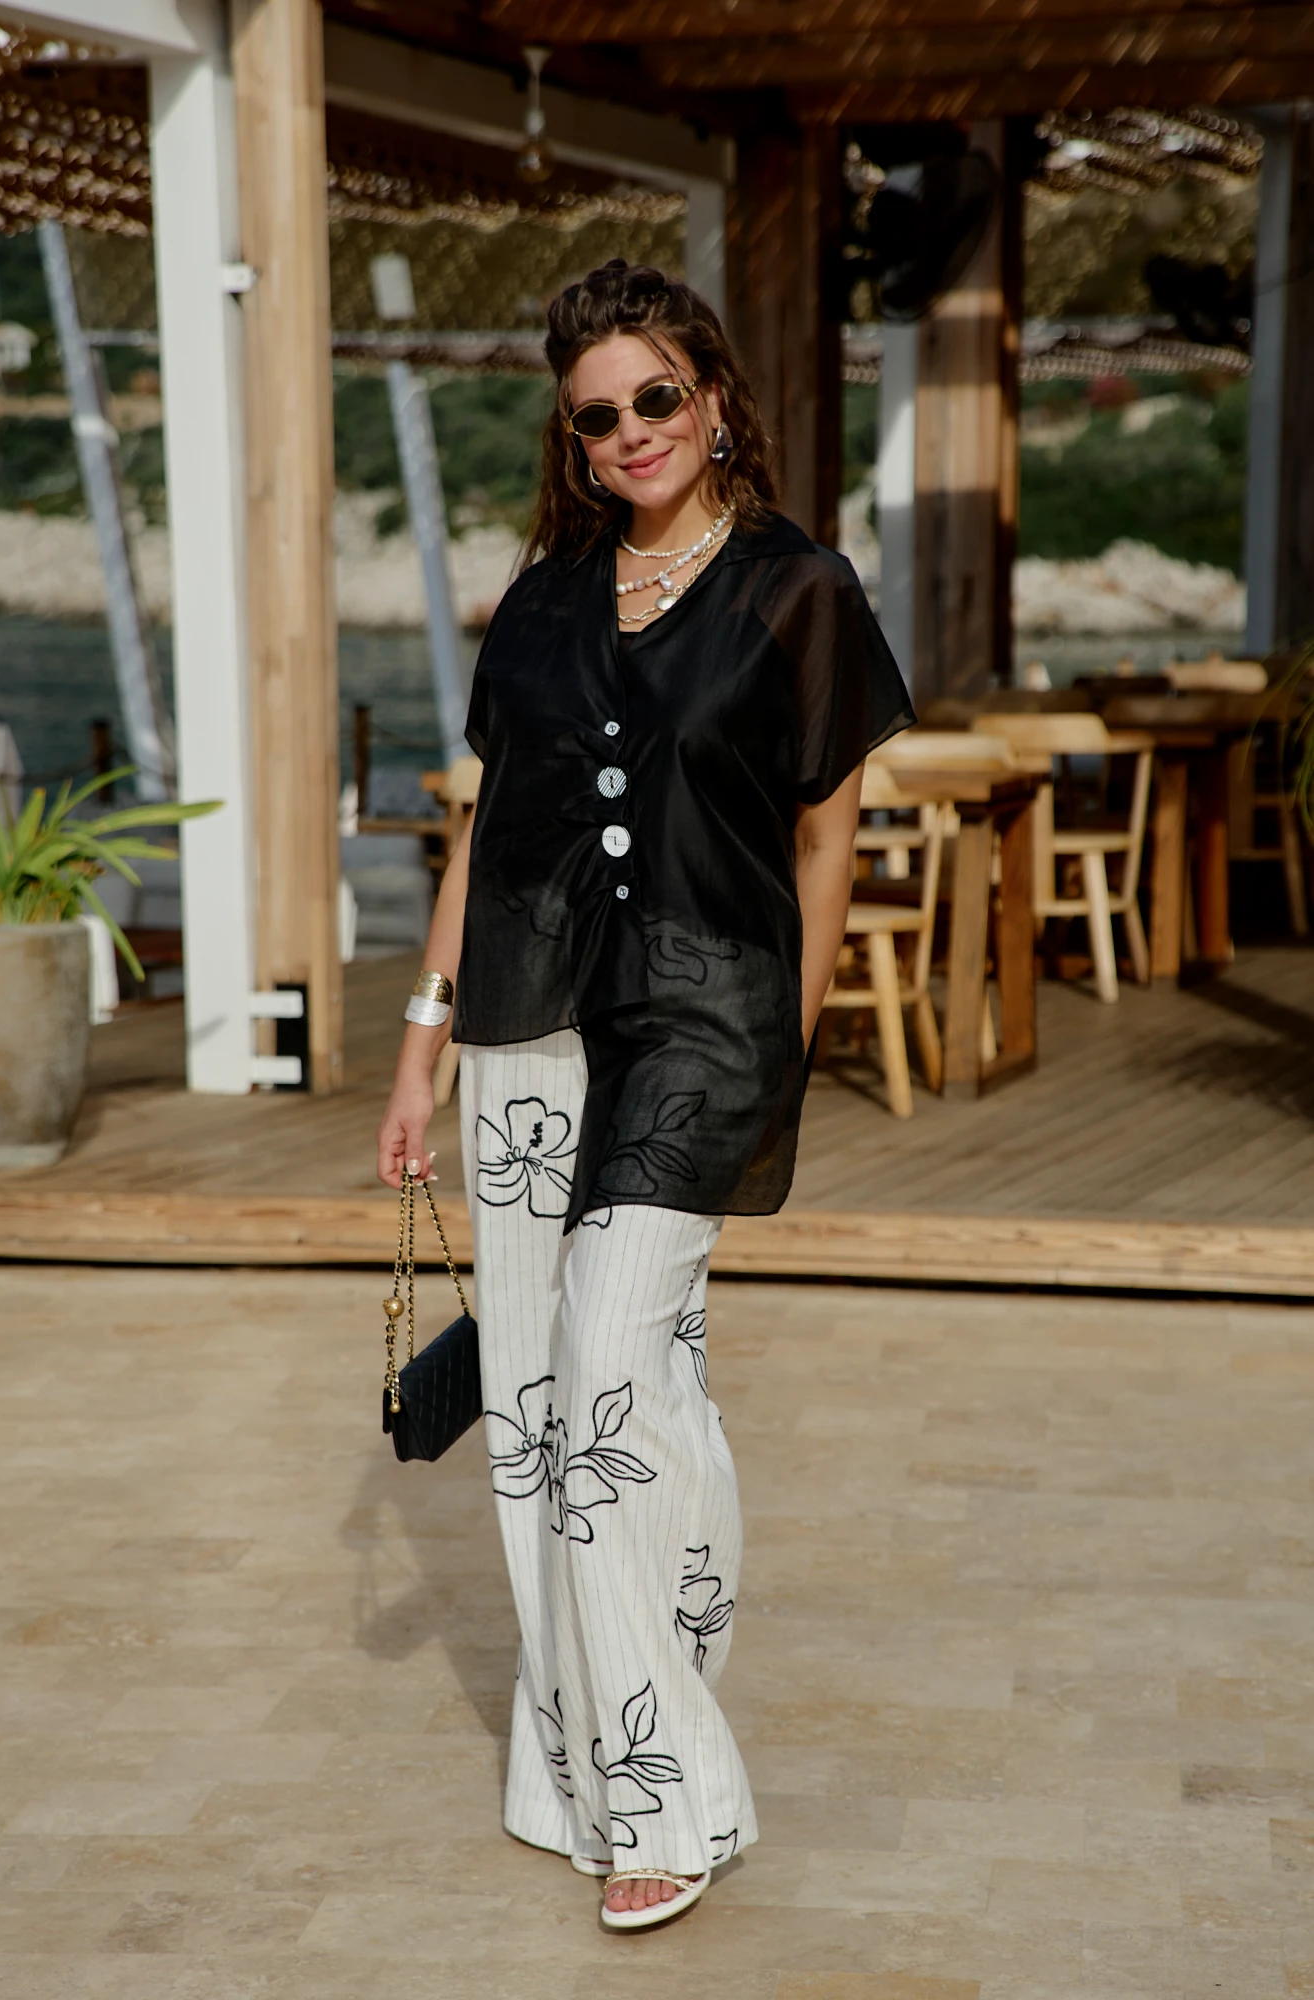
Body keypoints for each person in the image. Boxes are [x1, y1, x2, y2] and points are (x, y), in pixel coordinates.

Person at [377, 258, 913, 1931]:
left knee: (611, 1373)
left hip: (705, 1023)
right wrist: (418, 1045)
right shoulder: (543, 601)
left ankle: (665, 1801)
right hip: (527, 1025)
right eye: (598, 414)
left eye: (657, 398)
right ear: (575, 435)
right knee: (551, 1410)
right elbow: (489, 829)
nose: (631, 432)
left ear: (715, 397)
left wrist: (789, 1044)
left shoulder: (796, 591)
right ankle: (578, 1772)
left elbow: (824, 844)